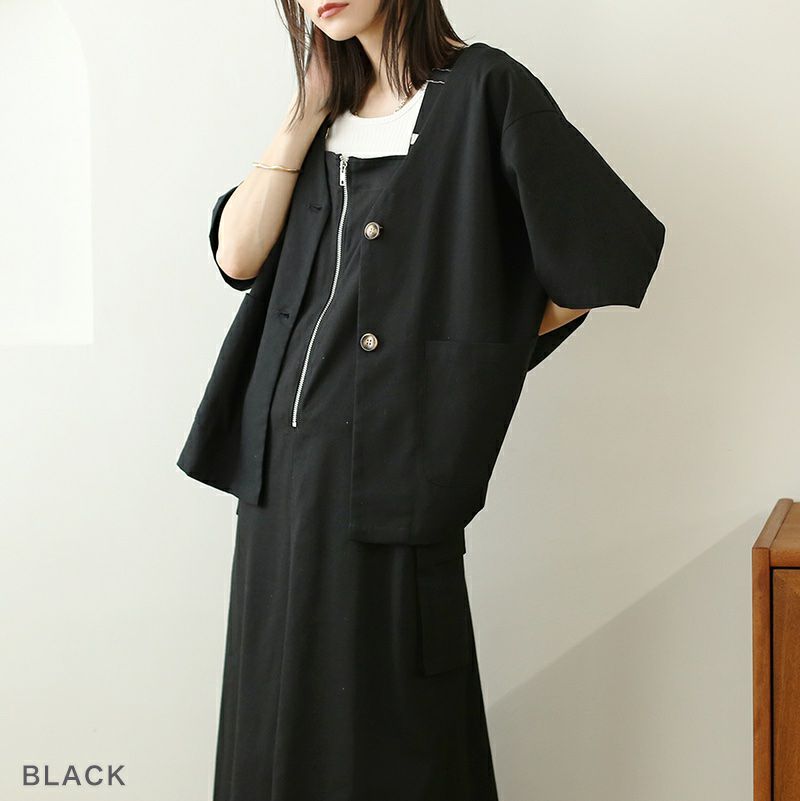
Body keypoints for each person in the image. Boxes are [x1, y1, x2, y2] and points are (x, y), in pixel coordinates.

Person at [178, 2, 667, 800]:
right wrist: (305, 109)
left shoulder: (485, 89)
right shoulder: (325, 114)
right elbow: (237, 255)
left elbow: (604, 251)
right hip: (276, 488)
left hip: (390, 480)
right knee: (272, 731)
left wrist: (467, 362)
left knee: (393, 738)